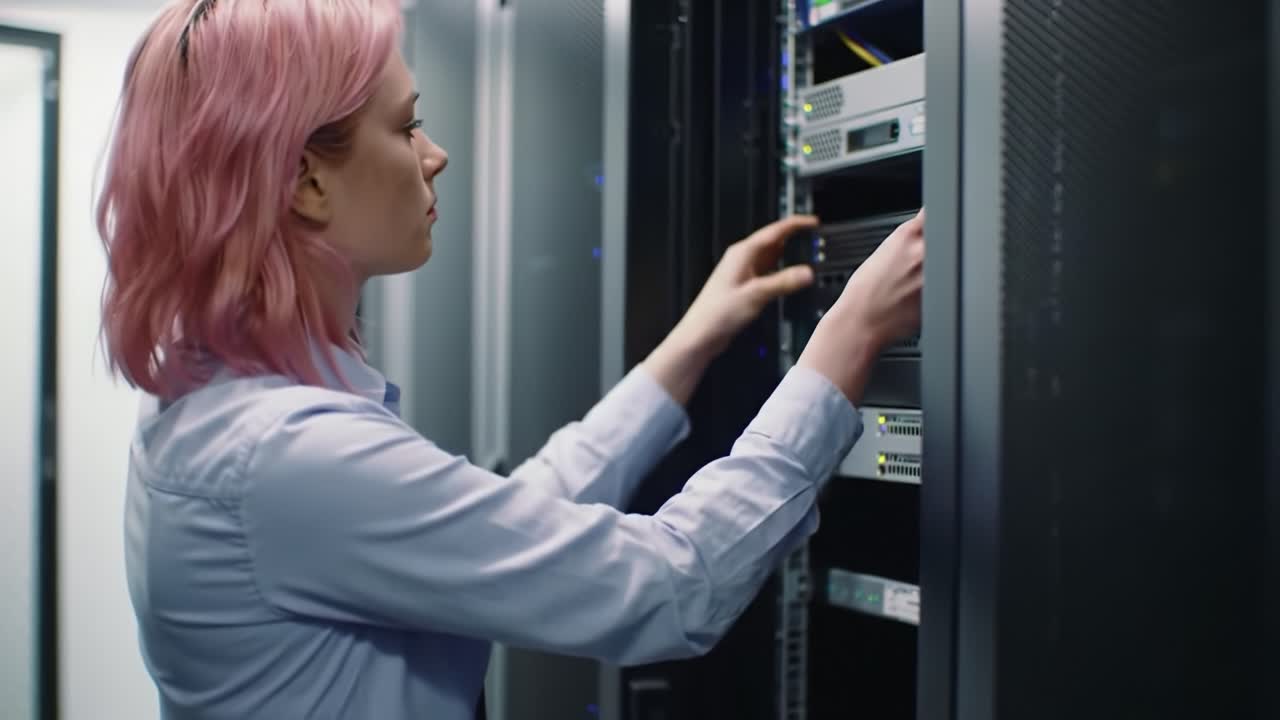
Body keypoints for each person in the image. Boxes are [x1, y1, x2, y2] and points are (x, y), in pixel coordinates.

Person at [98, 1, 925, 718]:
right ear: (307, 182)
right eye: (405, 124)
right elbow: (674, 585)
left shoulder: (204, 399)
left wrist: (690, 341)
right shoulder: (288, 455)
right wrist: (847, 338)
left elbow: (503, 521)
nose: (434, 154)